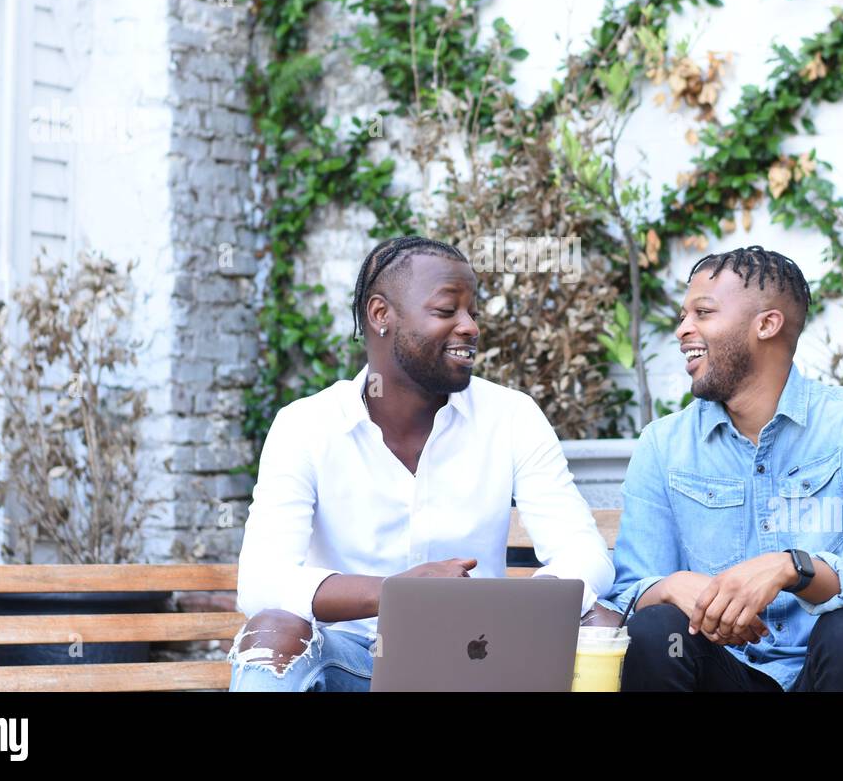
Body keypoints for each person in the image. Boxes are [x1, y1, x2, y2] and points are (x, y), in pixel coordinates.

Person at [228, 235, 614, 691]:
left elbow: (584, 555)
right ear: (380, 315)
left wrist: (508, 606)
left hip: (480, 658)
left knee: (600, 622)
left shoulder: (512, 416)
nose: (470, 326)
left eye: (472, 311)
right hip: (350, 667)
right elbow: (260, 583)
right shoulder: (306, 426)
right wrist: (399, 591)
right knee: (272, 632)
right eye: (447, 310)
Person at [589, 245, 843, 691]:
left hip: (823, 673)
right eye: (684, 316)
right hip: (719, 672)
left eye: (702, 313)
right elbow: (630, 591)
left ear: (767, 324)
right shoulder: (663, 444)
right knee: (657, 629)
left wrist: (791, 568)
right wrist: (670, 587)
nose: (683, 329)